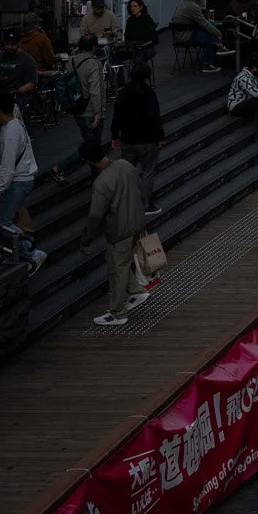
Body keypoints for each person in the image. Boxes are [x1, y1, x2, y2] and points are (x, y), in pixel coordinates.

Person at [78, 136, 148, 327]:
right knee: (120, 262)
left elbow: (95, 216)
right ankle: (136, 290)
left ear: (87, 161)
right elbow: (142, 191)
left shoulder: (101, 183)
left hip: (120, 229)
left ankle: (118, 313)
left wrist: (86, 240)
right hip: (137, 222)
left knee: (117, 267)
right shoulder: (125, 165)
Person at [0, 100, 44, 267]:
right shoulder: (13, 125)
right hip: (20, 179)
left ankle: (30, 253)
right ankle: (29, 248)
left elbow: (7, 165)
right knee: (2, 220)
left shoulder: (11, 131)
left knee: (1, 222)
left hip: (18, 181)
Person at [108, 62, 164, 219]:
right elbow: (154, 117)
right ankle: (144, 204)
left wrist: (114, 135)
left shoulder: (123, 93)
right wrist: (160, 137)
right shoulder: (148, 93)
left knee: (128, 172)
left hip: (127, 139)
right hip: (146, 139)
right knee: (148, 171)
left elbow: (116, 114)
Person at [64, 24, 106, 147]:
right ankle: (62, 166)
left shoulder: (70, 61)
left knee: (89, 144)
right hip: (90, 112)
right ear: (94, 47)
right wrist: (98, 113)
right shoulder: (94, 63)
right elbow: (95, 90)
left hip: (77, 109)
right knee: (93, 148)